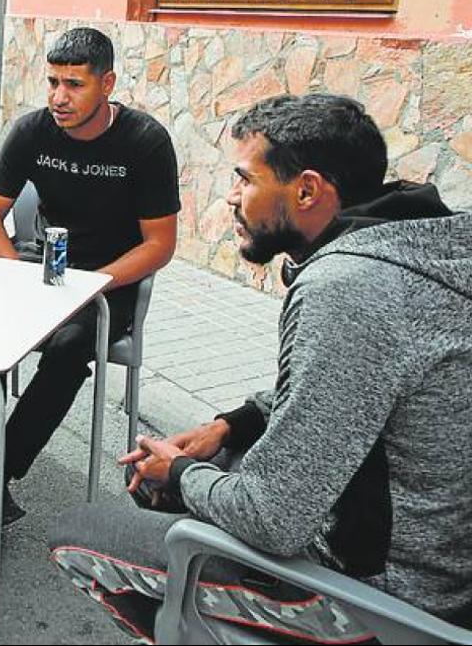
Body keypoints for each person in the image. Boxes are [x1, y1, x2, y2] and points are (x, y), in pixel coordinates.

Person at [49, 93, 471, 642]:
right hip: (443, 558)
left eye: (245, 180)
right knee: (220, 459)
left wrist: (176, 472)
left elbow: (272, 518)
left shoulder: (347, 289)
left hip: (386, 597)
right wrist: (231, 423)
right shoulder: (423, 242)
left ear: (307, 189)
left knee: (75, 534)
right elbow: (350, 386)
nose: (230, 197)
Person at [0, 27, 180, 541]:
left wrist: (89, 287)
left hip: (109, 282)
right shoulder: (32, 131)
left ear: (106, 83)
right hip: (39, 265)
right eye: (52, 82)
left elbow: (159, 244)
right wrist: (17, 275)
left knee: (68, 349)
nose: (58, 98)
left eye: (74, 85)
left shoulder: (146, 142)